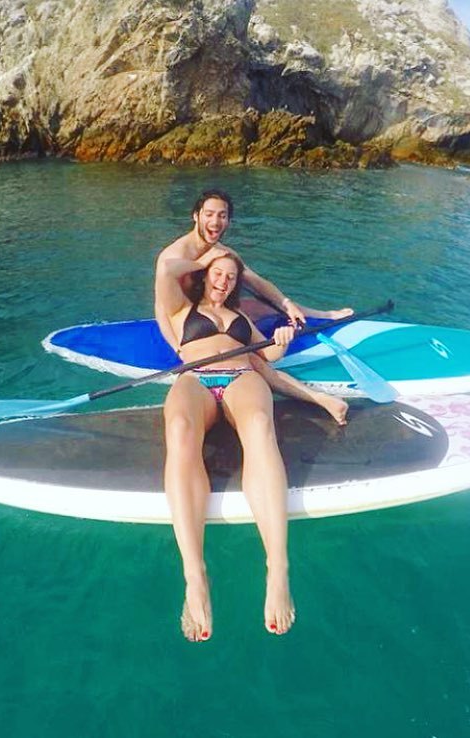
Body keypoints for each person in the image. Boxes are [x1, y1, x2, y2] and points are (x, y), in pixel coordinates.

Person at [159, 246, 301, 642]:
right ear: (205, 275)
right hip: (194, 379)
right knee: (180, 429)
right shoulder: (181, 309)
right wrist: (208, 260)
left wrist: (282, 339)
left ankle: (277, 569)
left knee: (259, 424)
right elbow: (167, 270)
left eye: (232, 277)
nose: (224, 281)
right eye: (218, 274)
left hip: (241, 377)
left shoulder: (242, 320)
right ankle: (195, 576)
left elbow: (268, 353)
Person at [154, 189, 352, 423]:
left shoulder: (223, 252)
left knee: (263, 306)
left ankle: (322, 315)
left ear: (228, 220)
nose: (215, 222)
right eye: (209, 214)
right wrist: (178, 347)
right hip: (189, 320)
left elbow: (256, 281)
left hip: (219, 309)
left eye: (222, 216)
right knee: (256, 362)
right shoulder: (175, 253)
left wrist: (286, 303)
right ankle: (321, 399)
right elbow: (162, 308)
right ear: (196, 216)